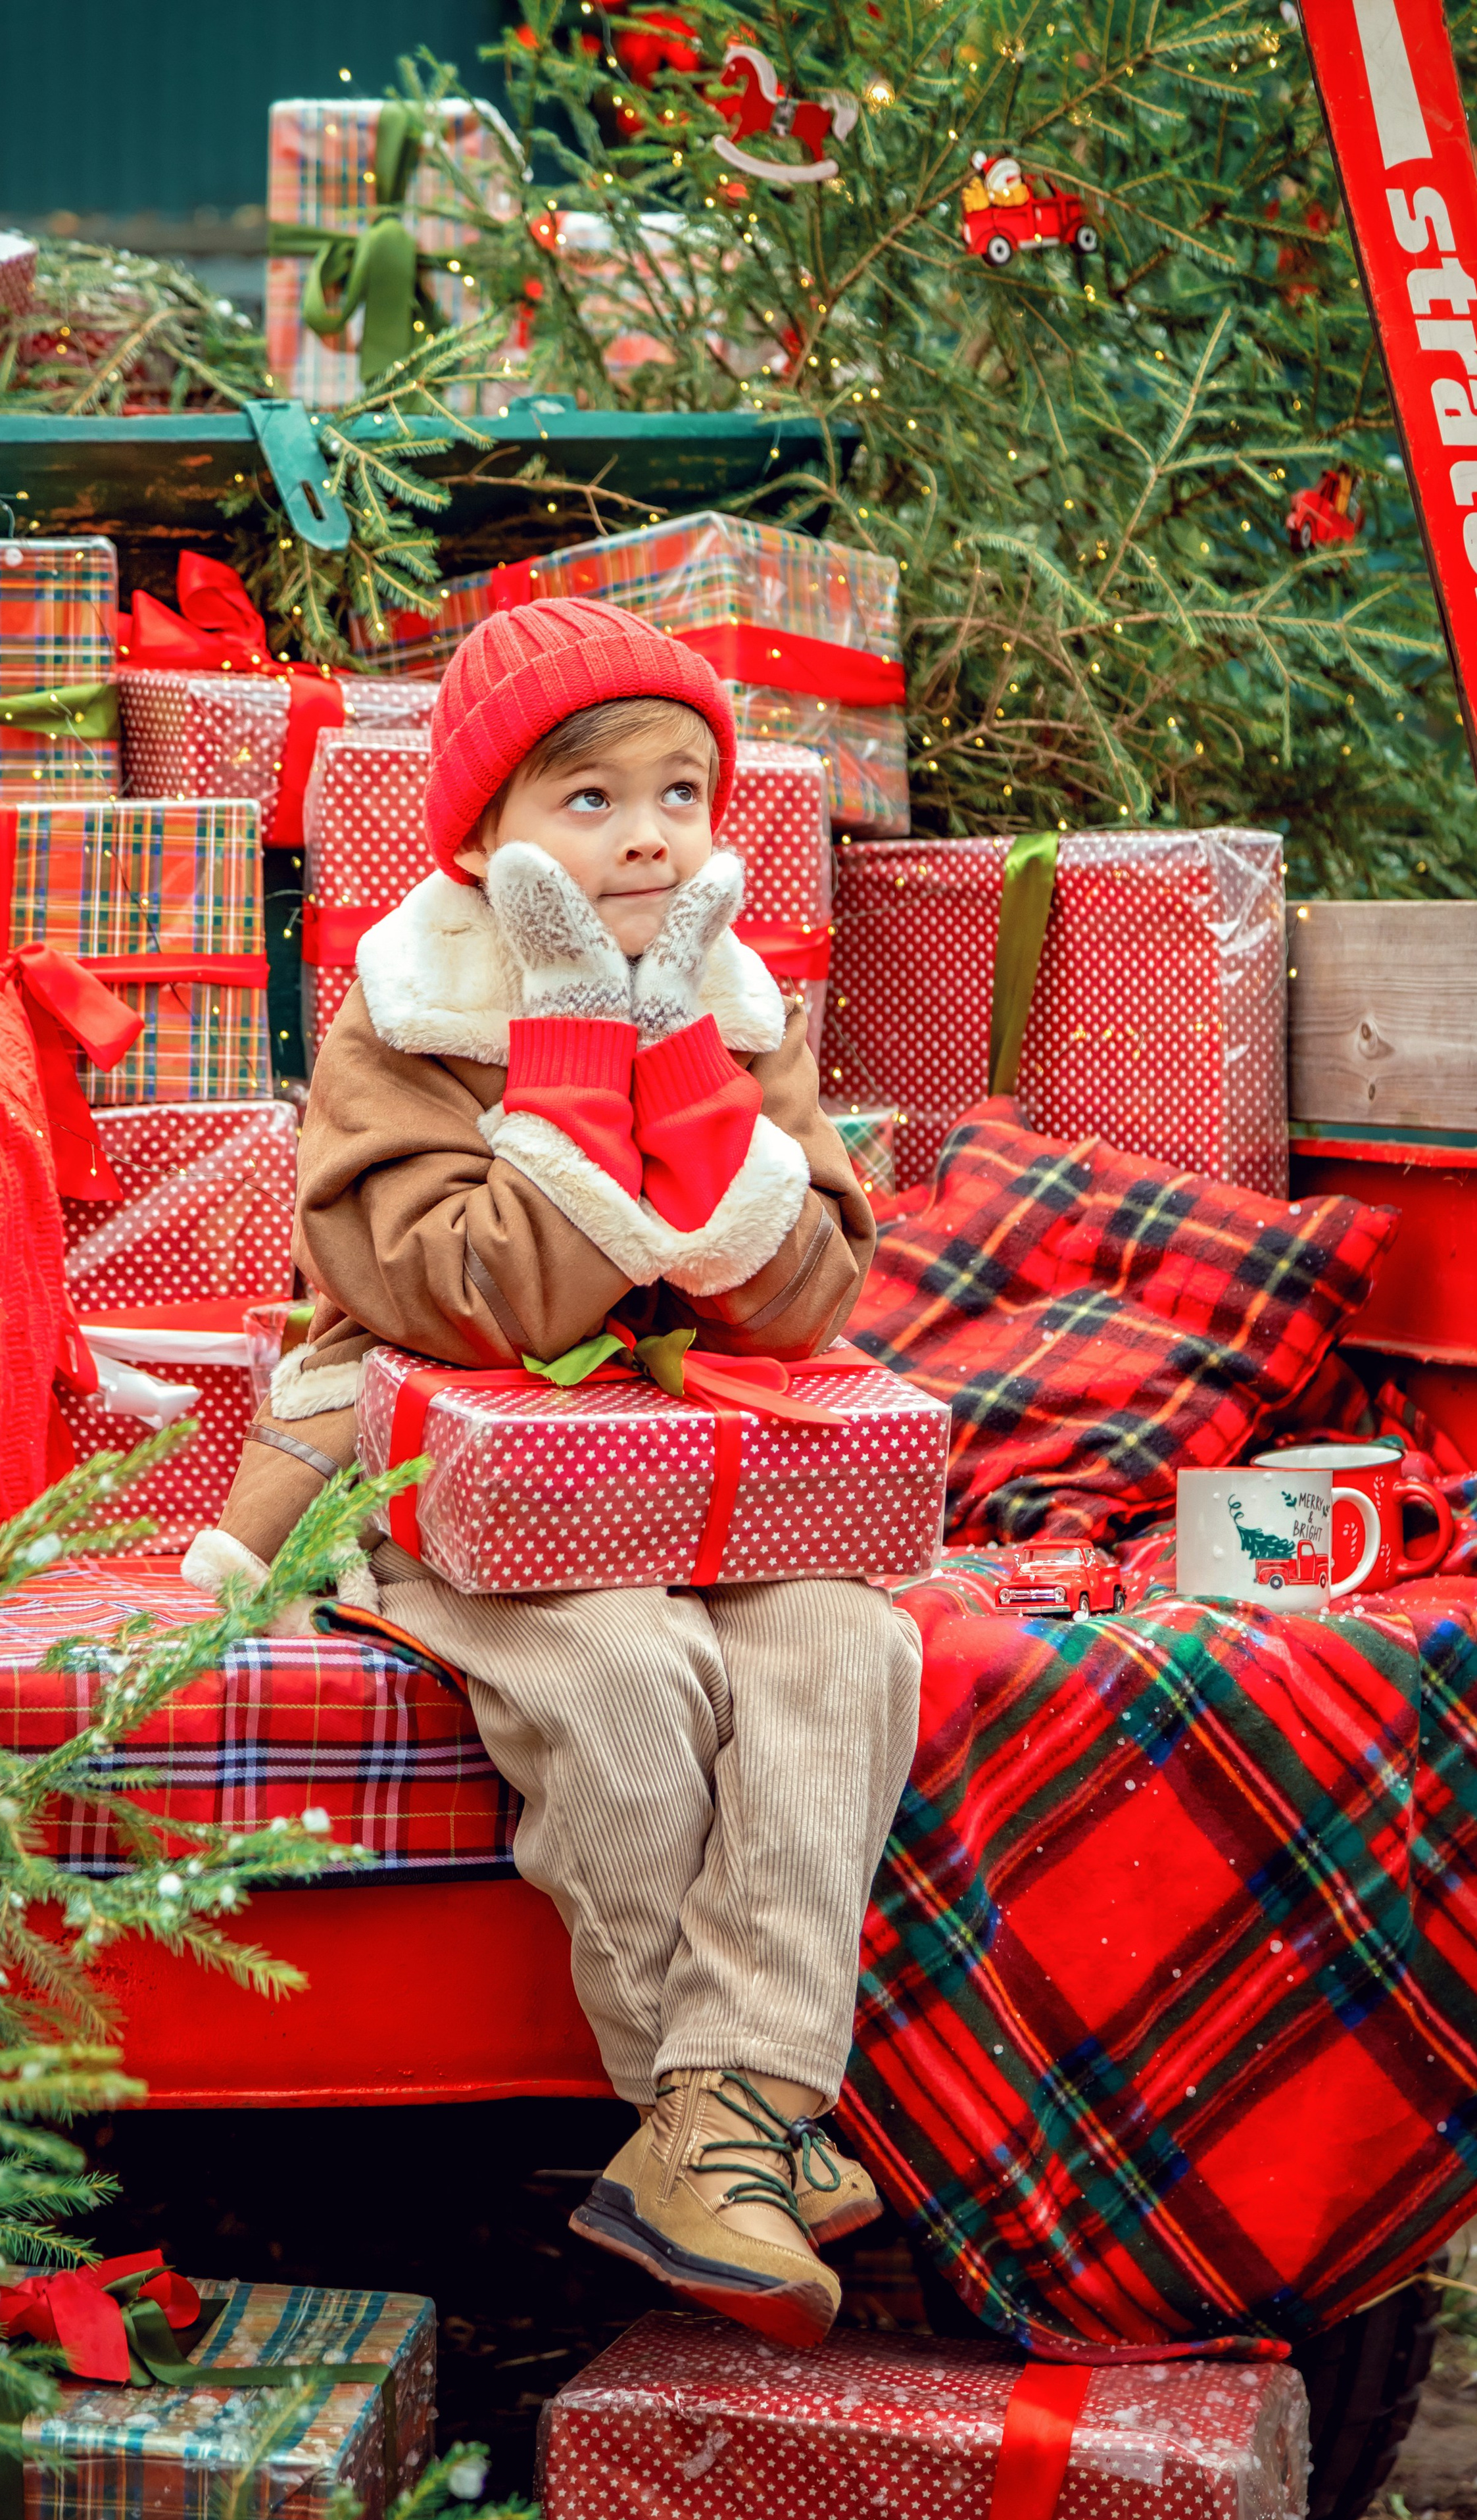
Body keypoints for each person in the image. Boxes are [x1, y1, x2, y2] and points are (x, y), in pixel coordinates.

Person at [184, 597, 921, 2350]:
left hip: (703, 1452)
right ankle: (739, 2112)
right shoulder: (409, 1012)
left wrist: (691, 1065)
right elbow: (471, 1292)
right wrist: (581, 1051)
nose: (650, 831)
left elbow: (815, 1278)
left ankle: (718, 2121)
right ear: (488, 836)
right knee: (625, 1668)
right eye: (587, 800)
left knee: (846, 1641)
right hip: (463, 1460)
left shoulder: (735, 1009)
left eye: (681, 790)